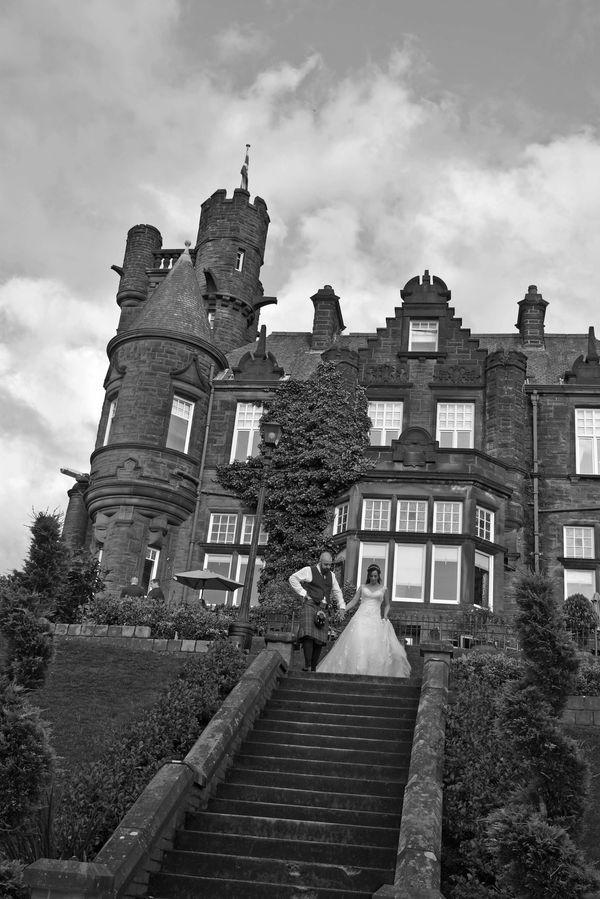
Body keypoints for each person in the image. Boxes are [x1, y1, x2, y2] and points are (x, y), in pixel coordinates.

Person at [317, 563, 411, 678]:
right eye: (371, 576)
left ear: (379, 576)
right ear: (368, 576)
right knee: (358, 642)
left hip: (375, 620)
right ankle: (356, 671)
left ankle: (368, 673)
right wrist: (343, 610)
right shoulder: (363, 587)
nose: (373, 578)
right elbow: (353, 602)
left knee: (372, 647)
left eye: (375, 576)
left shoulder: (384, 589)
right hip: (360, 618)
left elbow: (387, 605)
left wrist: (385, 615)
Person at [289, 551, 346, 672]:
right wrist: (304, 593)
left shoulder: (332, 575)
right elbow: (292, 578)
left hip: (323, 608)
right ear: (320, 562)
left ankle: (313, 668)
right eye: (325, 564)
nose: (328, 567)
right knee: (308, 635)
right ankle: (308, 665)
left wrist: (341, 607)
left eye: (330, 564)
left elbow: (337, 592)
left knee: (320, 639)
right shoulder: (309, 570)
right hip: (310, 605)